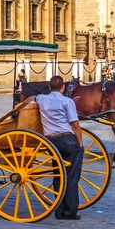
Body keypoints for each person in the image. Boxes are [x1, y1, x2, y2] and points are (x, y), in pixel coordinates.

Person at [37, 75, 84, 220]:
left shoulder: (41, 99)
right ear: (63, 87)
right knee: (72, 177)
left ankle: (59, 210)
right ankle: (70, 212)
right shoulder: (67, 101)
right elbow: (75, 125)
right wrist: (80, 143)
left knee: (58, 175)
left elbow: (31, 99)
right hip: (67, 140)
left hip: (51, 142)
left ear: (50, 87)